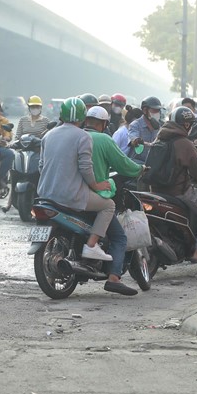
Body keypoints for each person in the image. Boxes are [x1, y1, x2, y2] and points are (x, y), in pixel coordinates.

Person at [38, 98, 136, 295]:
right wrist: (97, 185)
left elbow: (40, 166)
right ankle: (91, 245)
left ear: (60, 115)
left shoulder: (48, 136)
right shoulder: (83, 137)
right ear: (82, 117)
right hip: (71, 196)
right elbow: (85, 168)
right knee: (108, 205)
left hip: (45, 194)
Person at [83, 106, 144, 294]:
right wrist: (140, 169)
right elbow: (123, 164)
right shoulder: (103, 139)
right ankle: (114, 277)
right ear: (103, 124)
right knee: (119, 237)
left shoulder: (76, 136)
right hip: (92, 195)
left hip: (67, 194)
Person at [152, 107, 197, 263]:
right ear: (187, 125)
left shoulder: (160, 138)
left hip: (156, 190)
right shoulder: (184, 143)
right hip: (179, 190)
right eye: (190, 124)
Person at [3, 96, 51, 212]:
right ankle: (9, 202)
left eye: (37, 107)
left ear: (40, 108)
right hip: (23, 152)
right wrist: (13, 144)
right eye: (33, 107)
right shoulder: (23, 120)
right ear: (29, 108)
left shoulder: (45, 121)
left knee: (43, 173)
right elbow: (18, 136)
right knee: (14, 173)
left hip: (38, 152)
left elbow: (48, 137)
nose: (35, 109)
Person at [127, 96, 163, 162]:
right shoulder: (135, 125)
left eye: (158, 111)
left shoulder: (160, 126)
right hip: (138, 163)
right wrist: (137, 141)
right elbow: (133, 139)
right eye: (154, 110)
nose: (157, 113)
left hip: (153, 163)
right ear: (145, 110)